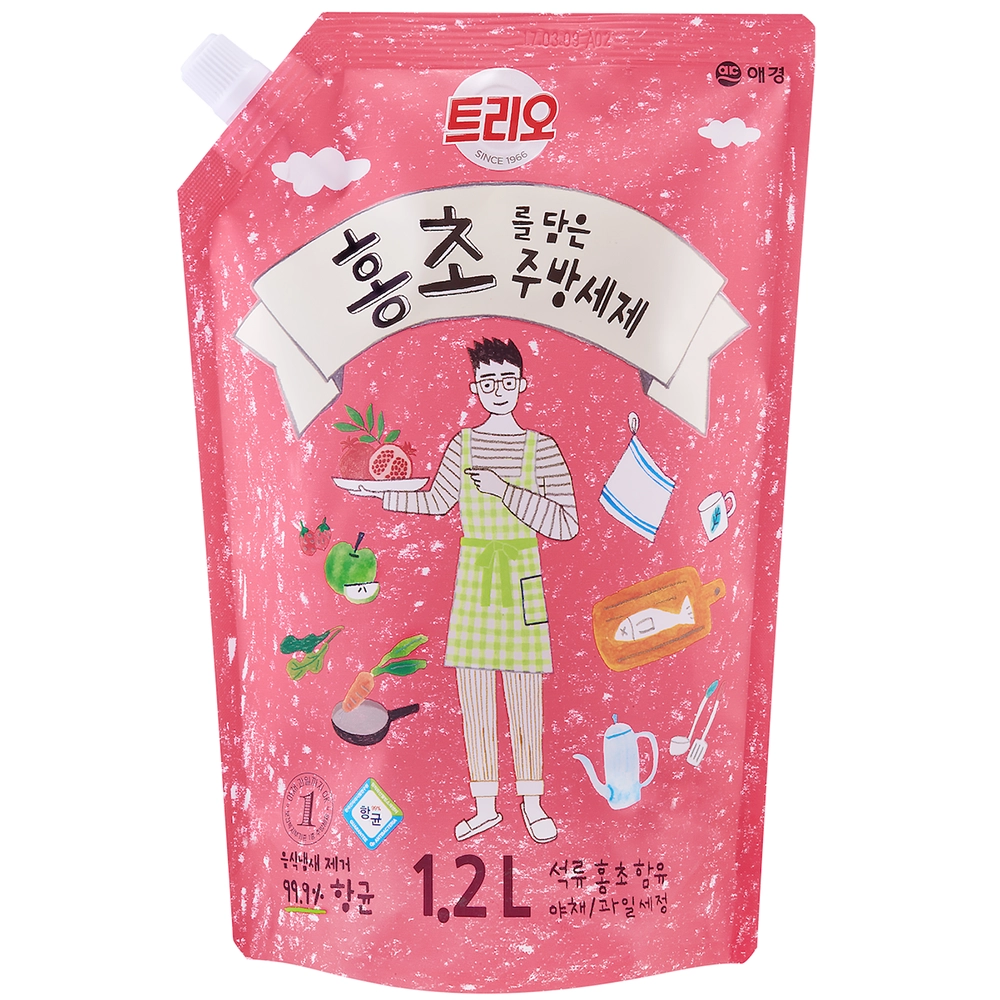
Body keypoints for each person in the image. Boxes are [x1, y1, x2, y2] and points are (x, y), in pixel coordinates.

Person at [360, 337, 578, 843]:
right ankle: (485, 805)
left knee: (525, 695)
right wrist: (382, 494)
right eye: (487, 382)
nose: (497, 390)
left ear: (522, 385)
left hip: (521, 572)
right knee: (475, 695)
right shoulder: (463, 444)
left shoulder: (542, 448)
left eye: (507, 381)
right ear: (475, 388)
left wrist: (505, 490)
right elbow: (437, 501)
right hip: (476, 574)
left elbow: (565, 523)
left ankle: (532, 803)